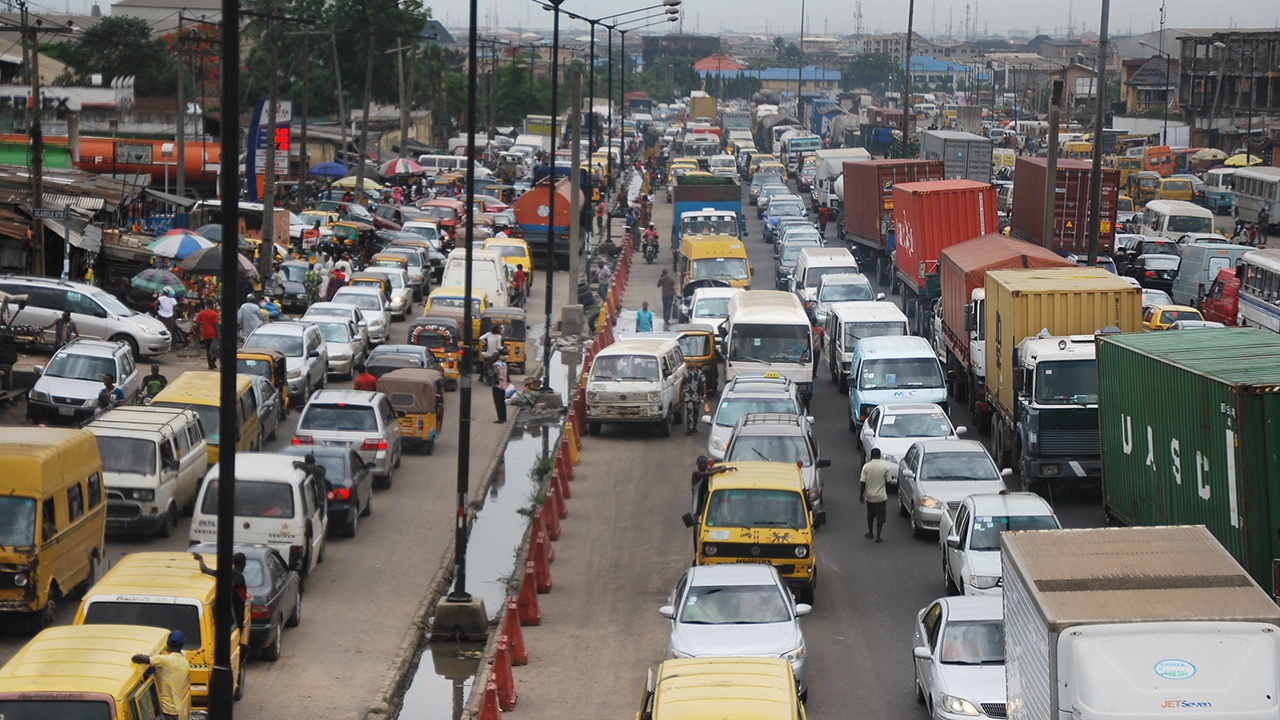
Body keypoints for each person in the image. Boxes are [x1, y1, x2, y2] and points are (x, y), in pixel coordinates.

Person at [132, 630, 191, 720]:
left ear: (167, 643)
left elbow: (136, 658)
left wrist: (142, 655)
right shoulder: (185, 664)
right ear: (182, 645)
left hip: (164, 709)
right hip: (175, 709)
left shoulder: (164, 660)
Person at [859, 447, 892, 542]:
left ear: (871, 456)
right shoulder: (885, 467)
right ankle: (878, 535)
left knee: (870, 515)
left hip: (870, 496)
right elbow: (889, 481)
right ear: (880, 456)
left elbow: (863, 482)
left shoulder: (866, 467)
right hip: (881, 496)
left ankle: (870, 532)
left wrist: (861, 495)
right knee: (880, 517)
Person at [681, 359, 706, 436]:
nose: (691, 363)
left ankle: (694, 425)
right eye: (690, 362)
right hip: (688, 395)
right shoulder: (685, 373)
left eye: (693, 362)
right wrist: (680, 395)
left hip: (697, 396)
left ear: (696, 363)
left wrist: (704, 394)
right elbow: (682, 384)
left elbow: (704, 383)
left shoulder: (699, 373)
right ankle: (690, 428)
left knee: (696, 412)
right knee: (689, 411)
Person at [194, 301, 220, 369]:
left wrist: (197, 332)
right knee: (215, 349)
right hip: (213, 334)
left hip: (205, 334)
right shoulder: (214, 313)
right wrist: (218, 334)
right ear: (211, 305)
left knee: (208, 349)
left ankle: (210, 364)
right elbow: (216, 325)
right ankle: (213, 361)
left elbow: (198, 324)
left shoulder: (201, 313)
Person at [491, 350, 509, 423]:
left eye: (492, 357)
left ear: (495, 358)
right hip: (503, 384)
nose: (491, 358)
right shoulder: (504, 364)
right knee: (502, 401)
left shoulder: (495, 365)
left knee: (497, 402)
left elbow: (496, 374)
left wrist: (494, 381)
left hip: (497, 385)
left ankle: (500, 419)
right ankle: (504, 417)